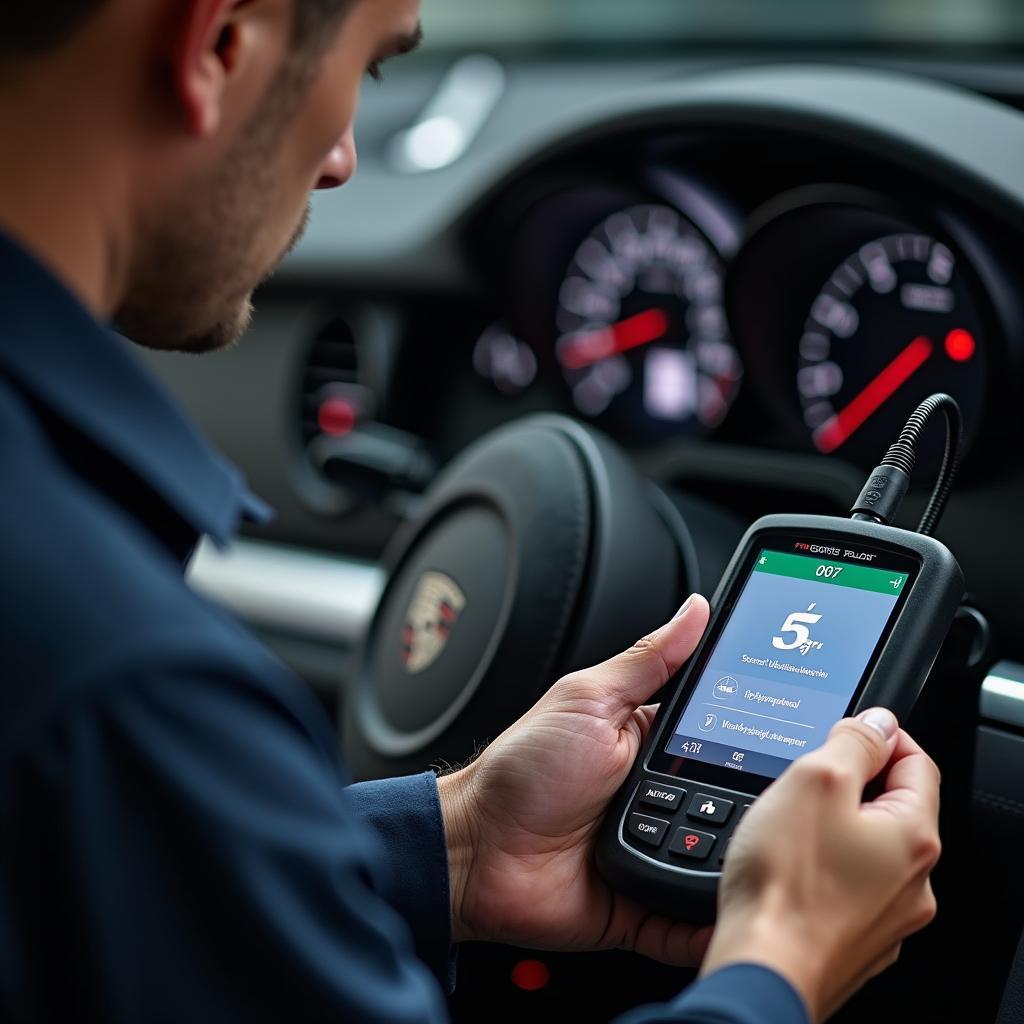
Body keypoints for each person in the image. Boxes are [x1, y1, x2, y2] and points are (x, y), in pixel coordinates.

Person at [0, 2, 941, 1022]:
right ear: (219, 41)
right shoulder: (117, 685)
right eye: (366, 72)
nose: (342, 163)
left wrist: (460, 839)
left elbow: (113, 887)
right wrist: (781, 962)